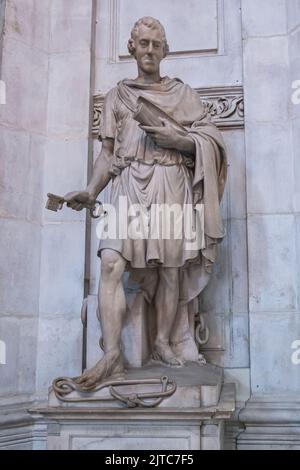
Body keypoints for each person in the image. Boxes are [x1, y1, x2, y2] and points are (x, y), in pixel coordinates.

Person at [64, 17, 227, 388]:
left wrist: (178, 139)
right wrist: (91, 190)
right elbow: (106, 153)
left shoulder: (183, 95)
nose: (150, 50)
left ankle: (163, 343)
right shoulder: (117, 96)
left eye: (157, 44)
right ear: (131, 47)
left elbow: (211, 143)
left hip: (170, 181)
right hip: (127, 183)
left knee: (171, 269)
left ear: (165, 50)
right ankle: (111, 354)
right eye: (144, 43)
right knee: (110, 262)